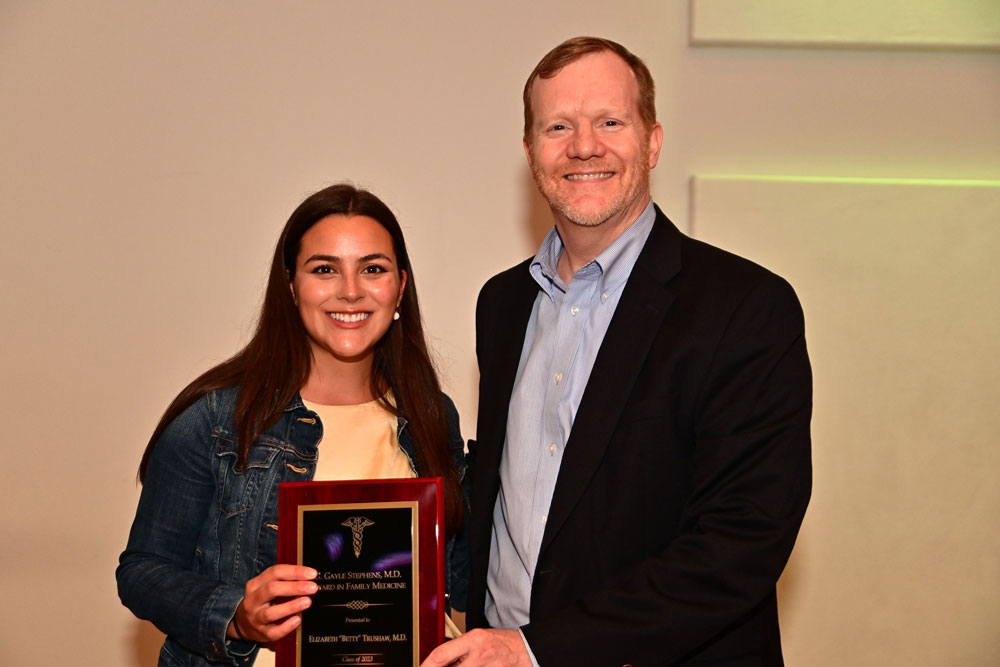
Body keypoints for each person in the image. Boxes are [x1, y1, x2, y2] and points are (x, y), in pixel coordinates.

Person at [423, 37, 812, 667]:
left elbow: (741, 542)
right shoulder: (501, 304)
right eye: (558, 126)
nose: (583, 146)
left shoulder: (745, 308)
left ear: (653, 140)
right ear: (530, 152)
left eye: (610, 121)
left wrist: (539, 650)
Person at [118, 184, 468, 666]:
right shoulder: (218, 419)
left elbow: (457, 573)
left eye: (373, 269)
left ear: (400, 287)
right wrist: (237, 615)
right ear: (290, 286)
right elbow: (142, 570)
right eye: (324, 269)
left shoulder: (432, 415)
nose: (350, 290)